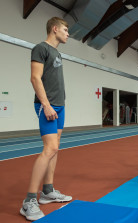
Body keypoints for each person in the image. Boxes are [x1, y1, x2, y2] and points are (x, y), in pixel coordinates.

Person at [20, 17, 72, 221]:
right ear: (55, 29)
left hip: (60, 106)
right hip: (47, 105)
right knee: (49, 149)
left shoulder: (57, 52)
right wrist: (46, 104)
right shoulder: (40, 48)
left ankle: (47, 191)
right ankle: (29, 201)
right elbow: (35, 77)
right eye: (66, 30)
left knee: (55, 148)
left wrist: (57, 104)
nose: (68, 34)